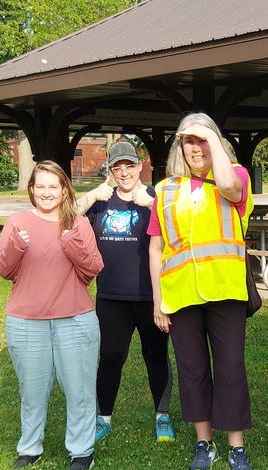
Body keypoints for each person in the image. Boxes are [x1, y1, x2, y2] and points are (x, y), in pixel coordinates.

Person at [147, 112, 256, 470]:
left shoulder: (234, 175)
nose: (196, 147)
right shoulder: (165, 189)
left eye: (203, 139)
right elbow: (155, 247)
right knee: (192, 369)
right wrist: (157, 299)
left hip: (225, 289)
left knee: (230, 367)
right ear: (180, 146)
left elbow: (228, 186)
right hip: (181, 294)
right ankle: (203, 442)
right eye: (189, 140)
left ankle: (236, 447)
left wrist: (211, 138)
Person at [0, 160, 104, 470]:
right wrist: (15, 246)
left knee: (80, 389)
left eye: (53, 186)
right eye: (40, 186)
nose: (46, 192)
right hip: (27, 322)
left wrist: (71, 244)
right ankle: (30, 449)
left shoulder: (77, 223)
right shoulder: (16, 221)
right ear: (31, 190)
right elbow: (4, 270)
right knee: (32, 390)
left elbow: (93, 269)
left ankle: (81, 451)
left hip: (75, 319)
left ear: (64, 190)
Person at [76, 140, 175, 445]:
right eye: (117, 167)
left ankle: (162, 416)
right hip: (111, 295)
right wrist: (93, 194)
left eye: (128, 166)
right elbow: (67, 216)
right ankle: (103, 418)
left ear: (139, 165)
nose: (123, 172)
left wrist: (150, 204)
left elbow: (178, 228)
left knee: (155, 356)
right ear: (111, 170)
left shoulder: (155, 197)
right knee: (110, 357)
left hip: (150, 296)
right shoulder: (103, 200)